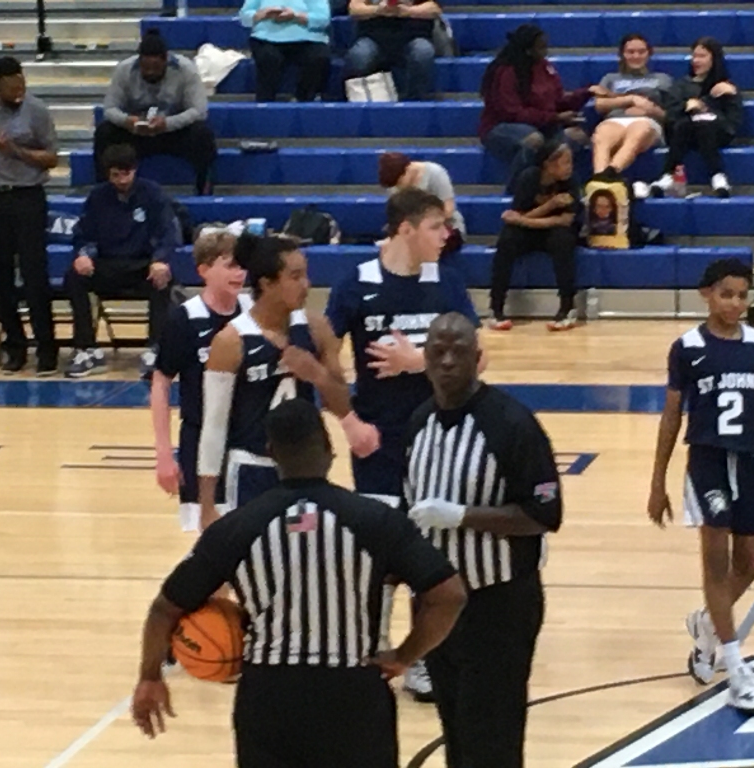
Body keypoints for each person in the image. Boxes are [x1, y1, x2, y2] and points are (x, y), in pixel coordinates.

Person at [131, 397, 468, 768]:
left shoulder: (237, 527)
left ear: (271, 452)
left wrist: (150, 678)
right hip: (353, 692)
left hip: (268, 696)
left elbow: (165, 608)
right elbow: (449, 595)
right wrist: (405, 656)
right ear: (328, 448)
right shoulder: (376, 521)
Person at [325, 187, 482, 702]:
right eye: (437, 226)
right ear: (406, 228)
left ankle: (420, 658)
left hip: (438, 443)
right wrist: (348, 421)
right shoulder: (357, 284)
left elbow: (479, 358)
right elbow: (324, 360)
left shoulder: (446, 281)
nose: (446, 235)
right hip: (379, 442)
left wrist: (419, 362)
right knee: (377, 552)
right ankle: (371, 648)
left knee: (428, 551)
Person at [404, 311, 563, 768]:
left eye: (458, 352)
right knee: (455, 730)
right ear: (425, 358)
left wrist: (462, 516)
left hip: (499, 605)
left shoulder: (512, 424)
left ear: (478, 357)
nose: (447, 361)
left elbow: (545, 514)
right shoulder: (419, 423)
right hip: (437, 607)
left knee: (492, 738)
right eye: (438, 352)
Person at [646, 258, 754, 716]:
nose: (735, 303)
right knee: (715, 562)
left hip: (750, 462)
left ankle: (707, 622)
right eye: (727, 293)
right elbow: (672, 416)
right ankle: (735, 667)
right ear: (707, 294)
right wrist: (657, 481)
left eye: (742, 295)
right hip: (708, 462)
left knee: (750, 564)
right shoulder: (687, 348)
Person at [197, 233, 372, 531]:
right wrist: (206, 504)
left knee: (300, 551)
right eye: (295, 276)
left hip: (306, 472)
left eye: (305, 274)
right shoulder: (230, 341)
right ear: (267, 284)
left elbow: (342, 404)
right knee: (252, 556)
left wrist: (316, 373)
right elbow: (213, 425)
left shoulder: (316, 327)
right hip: (252, 470)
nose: (306, 284)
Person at [151, 228, 251, 532]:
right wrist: (164, 454)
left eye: (241, 266)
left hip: (248, 438)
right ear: (204, 270)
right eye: (230, 265)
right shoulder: (185, 318)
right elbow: (161, 383)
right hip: (201, 439)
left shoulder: (253, 313)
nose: (239, 273)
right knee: (209, 536)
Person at [0, 56, 58, 376]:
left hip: (27, 196)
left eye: (22, 85)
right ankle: (14, 346)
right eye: (12, 87)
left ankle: (46, 348)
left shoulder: (37, 110)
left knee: (34, 275)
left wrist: (15, 151)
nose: (19, 91)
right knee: (2, 276)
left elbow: (52, 158)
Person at [65, 144, 178, 379]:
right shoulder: (97, 197)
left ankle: (155, 349)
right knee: (74, 276)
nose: (122, 180)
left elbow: (167, 232)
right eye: (115, 175)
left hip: (142, 265)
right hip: (108, 264)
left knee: (164, 278)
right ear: (108, 174)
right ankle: (86, 349)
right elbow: (83, 234)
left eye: (126, 174)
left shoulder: (152, 193)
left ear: (135, 170)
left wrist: (159, 260)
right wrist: (84, 254)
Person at [477, 24, 598, 193]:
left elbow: (558, 101)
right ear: (528, 50)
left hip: (542, 124)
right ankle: (516, 191)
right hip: (501, 128)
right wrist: (554, 117)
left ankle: (570, 191)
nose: (545, 51)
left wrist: (587, 92)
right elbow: (512, 113)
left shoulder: (545, 68)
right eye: (541, 47)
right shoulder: (506, 71)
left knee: (576, 137)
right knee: (534, 139)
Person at [96, 29, 217, 196]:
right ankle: (104, 191)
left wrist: (168, 123)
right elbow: (109, 108)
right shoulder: (124, 70)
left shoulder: (186, 70)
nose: (150, 72)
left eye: (156, 68)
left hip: (173, 133)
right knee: (105, 132)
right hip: (136, 133)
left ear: (166, 60)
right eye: (146, 68)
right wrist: (127, 121)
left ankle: (204, 190)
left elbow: (199, 110)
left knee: (202, 134)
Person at [490, 139, 579, 332]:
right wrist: (550, 205)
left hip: (554, 231)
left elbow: (565, 221)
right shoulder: (529, 177)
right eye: (565, 162)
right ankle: (496, 307)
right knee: (507, 239)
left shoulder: (571, 182)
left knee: (563, 240)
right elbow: (518, 216)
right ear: (549, 164)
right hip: (530, 231)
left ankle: (567, 307)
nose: (570, 167)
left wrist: (524, 221)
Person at [649, 37, 742, 200]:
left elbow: (732, 123)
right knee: (685, 124)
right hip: (685, 132)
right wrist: (687, 106)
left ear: (714, 59)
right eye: (694, 56)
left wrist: (708, 103)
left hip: (715, 132)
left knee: (703, 124)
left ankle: (717, 175)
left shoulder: (726, 87)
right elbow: (671, 115)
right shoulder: (681, 85)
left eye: (702, 56)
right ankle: (670, 175)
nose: (696, 61)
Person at [591, 33, 672, 198]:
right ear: (622, 54)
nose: (636, 56)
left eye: (641, 52)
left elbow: (670, 115)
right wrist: (630, 100)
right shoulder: (610, 78)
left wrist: (650, 110)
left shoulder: (662, 79)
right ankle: (599, 181)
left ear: (649, 53)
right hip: (615, 120)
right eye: (631, 52)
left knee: (638, 130)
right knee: (602, 135)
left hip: (647, 122)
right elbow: (599, 105)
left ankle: (611, 174)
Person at [345, 0, 440, 102]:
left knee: (423, 52)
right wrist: (378, 10)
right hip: (373, 38)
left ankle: (414, 101)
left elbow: (433, 9)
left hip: (414, 37)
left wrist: (408, 11)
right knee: (359, 55)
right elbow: (354, 9)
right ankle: (361, 101)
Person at [240, 0, 331, 103]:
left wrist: (296, 16)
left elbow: (323, 19)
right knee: (268, 57)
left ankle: (304, 100)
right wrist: (262, 14)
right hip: (265, 38)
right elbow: (245, 17)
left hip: (309, 39)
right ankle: (265, 102)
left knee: (318, 57)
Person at [378, 152, 465, 255]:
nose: (398, 187)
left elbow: (448, 210)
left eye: (400, 182)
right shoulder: (394, 185)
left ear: (407, 170)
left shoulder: (436, 174)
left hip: (444, 227)